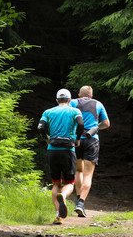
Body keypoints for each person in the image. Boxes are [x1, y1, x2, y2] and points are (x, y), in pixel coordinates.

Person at [38, 88, 84, 224]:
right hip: (68, 150)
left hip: (52, 150)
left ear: (57, 100)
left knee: (56, 183)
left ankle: (58, 215)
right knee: (70, 182)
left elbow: (40, 127)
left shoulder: (48, 112)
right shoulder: (75, 111)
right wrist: (78, 138)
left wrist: (47, 139)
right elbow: (80, 123)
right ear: (70, 100)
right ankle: (63, 196)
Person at [70, 85, 110, 218]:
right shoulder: (98, 104)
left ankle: (78, 200)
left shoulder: (73, 102)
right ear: (91, 96)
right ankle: (81, 203)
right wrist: (96, 127)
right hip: (92, 140)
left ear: (79, 95)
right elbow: (106, 123)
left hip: (76, 140)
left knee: (78, 171)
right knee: (88, 175)